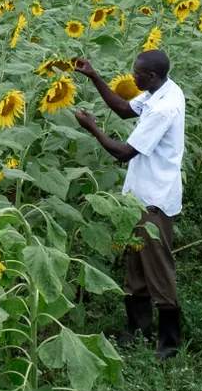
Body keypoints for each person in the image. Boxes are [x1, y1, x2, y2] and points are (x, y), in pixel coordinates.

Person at [72, 50, 186, 358]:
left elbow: (124, 152)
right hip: (138, 197)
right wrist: (94, 76)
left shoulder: (165, 108)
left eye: (136, 73)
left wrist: (93, 128)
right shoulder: (159, 89)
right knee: (135, 268)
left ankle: (169, 344)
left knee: (159, 270)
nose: (131, 77)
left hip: (154, 201)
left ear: (151, 76)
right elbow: (124, 109)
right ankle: (137, 330)